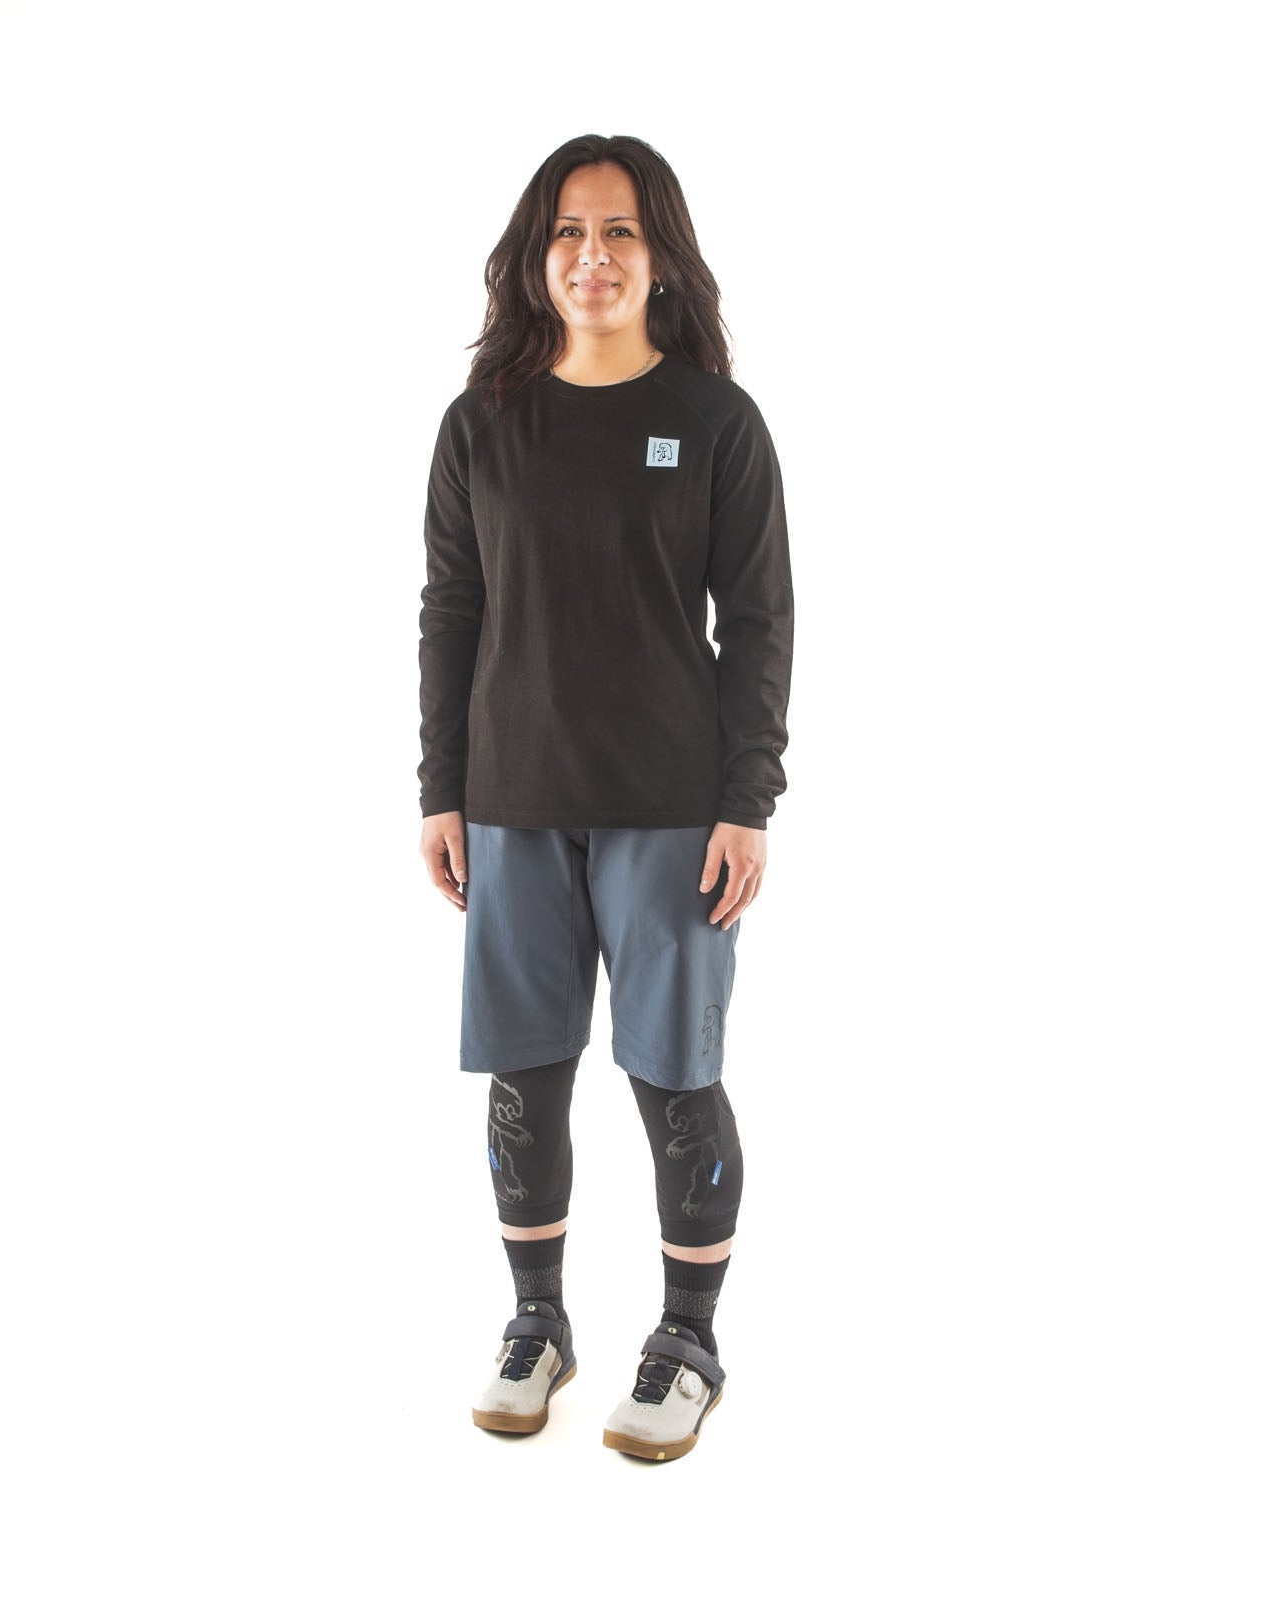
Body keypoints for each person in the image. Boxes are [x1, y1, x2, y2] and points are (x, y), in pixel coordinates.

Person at [416, 133, 794, 1461]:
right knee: (525, 1076)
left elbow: (759, 622)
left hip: (673, 807)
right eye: (568, 232)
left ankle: (689, 1341)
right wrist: (442, 790)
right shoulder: (482, 423)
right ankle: (539, 1324)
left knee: (673, 1078)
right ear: (536, 256)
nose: (592, 256)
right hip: (511, 801)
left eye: (620, 230)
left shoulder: (716, 423)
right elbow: (451, 612)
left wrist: (749, 799)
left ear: (661, 256)